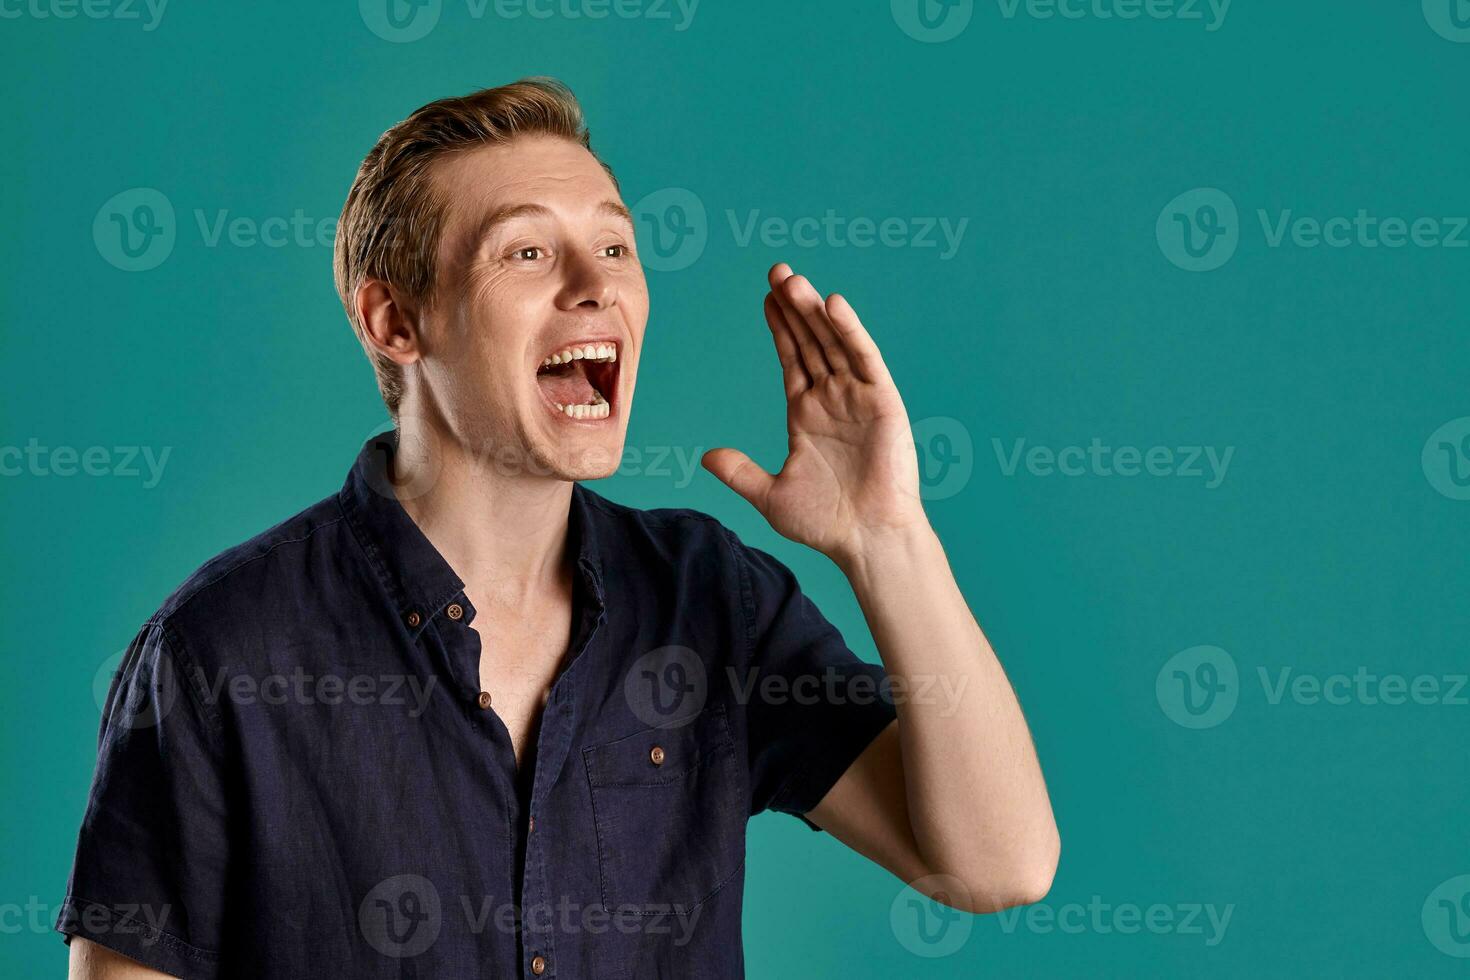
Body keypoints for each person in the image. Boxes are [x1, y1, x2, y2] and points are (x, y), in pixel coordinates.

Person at [59, 77, 1059, 979]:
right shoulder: (223, 649)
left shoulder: (706, 593)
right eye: (529, 250)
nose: (597, 285)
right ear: (395, 321)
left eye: (616, 245)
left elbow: (995, 861)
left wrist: (886, 536)